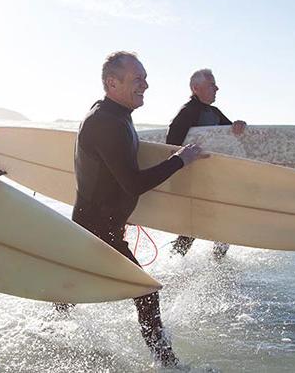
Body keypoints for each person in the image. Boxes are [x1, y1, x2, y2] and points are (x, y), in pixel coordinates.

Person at [69, 51, 207, 367]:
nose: (145, 84)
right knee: (146, 291)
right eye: (137, 79)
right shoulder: (107, 122)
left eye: (144, 77)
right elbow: (132, 183)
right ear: (112, 83)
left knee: (73, 282)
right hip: (97, 230)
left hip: (97, 225)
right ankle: (167, 363)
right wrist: (179, 160)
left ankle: (55, 320)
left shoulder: (112, 115)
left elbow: (112, 172)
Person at [166, 68, 247, 259]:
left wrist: (238, 126)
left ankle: (217, 264)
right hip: (193, 178)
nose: (217, 88)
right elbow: (170, 146)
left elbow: (230, 135)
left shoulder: (214, 112)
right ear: (196, 88)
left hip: (212, 178)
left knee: (221, 222)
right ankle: (174, 262)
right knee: (193, 226)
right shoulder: (188, 112)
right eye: (212, 85)